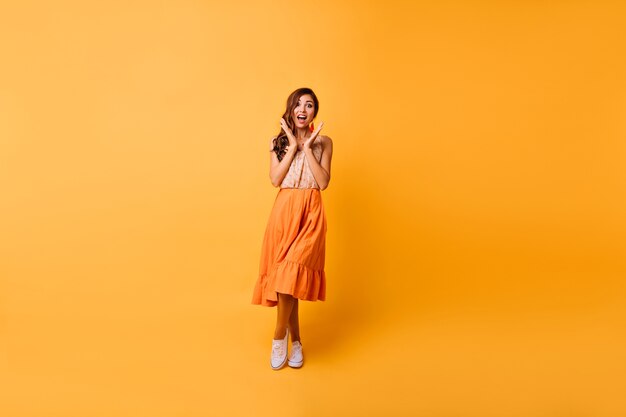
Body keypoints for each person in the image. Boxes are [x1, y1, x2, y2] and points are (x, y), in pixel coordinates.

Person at [251, 87, 333, 370]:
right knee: (288, 281)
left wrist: (308, 147)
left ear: (314, 112)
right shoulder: (277, 143)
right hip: (284, 213)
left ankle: (278, 336)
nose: (303, 108)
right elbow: (275, 179)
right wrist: (294, 146)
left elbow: (322, 183)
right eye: (298, 104)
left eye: (309, 105)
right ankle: (295, 339)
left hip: (310, 213)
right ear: (291, 109)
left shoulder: (324, 143)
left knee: (291, 274)